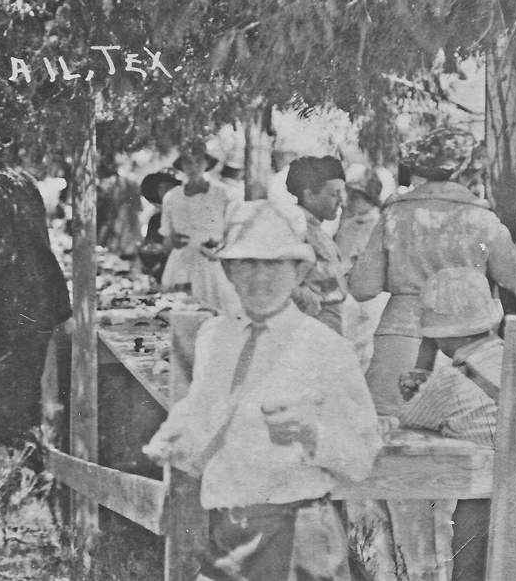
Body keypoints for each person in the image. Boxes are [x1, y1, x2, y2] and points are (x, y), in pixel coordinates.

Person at [143, 200, 381, 581]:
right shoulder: (213, 337)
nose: (260, 278)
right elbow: (205, 413)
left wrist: (312, 433)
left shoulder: (324, 346)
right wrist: (175, 435)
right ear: (228, 270)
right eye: (247, 263)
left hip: (298, 534)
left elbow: (361, 457)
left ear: (298, 270)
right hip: (229, 530)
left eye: (273, 264)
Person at [347, 127, 516, 581]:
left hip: (401, 339)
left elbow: (362, 288)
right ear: (466, 167)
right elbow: (514, 278)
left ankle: (398, 572)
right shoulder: (483, 219)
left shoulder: (395, 215)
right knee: (475, 474)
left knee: (395, 472)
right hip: (472, 344)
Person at [397, 267, 516, 581]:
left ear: (441, 335)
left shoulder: (449, 379)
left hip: (489, 494)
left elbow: (412, 418)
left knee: (472, 570)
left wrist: (416, 389)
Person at [0, 139, 72, 453]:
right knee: (28, 383)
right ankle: (29, 457)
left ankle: (12, 460)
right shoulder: (25, 180)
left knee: (10, 385)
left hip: (17, 298)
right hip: (42, 295)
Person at [158, 140, 240, 315]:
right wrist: (171, 241)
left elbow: (234, 235)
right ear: (181, 165)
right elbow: (165, 241)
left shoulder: (223, 193)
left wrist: (219, 247)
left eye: (198, 161)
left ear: (206, 164)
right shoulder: (172, 197)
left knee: (216, 315)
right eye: (188, 161)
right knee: (180, 315)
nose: (193, 166)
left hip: (212, 264)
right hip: (181, 265)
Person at [285, 157, 351, 338]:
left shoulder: (317, 231)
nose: (341, 202)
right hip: (310, 327)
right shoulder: (294, 228)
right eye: (333, 194)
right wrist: (308, 301)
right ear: (309, 195)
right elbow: (282, 281)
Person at [137, 168, 182, 281]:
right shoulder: (156, 219)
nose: (164, 192)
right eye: (160, 188)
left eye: (168, 187)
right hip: (162, 274)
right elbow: (149, 247)